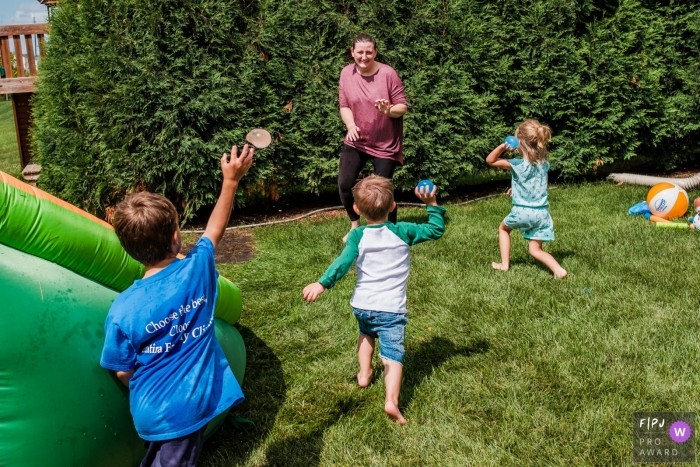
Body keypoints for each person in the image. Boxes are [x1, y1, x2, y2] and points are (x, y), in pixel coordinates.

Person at [100, 144, 254, 466]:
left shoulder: (122, 308)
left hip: (150, 407)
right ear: (175, 237)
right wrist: (231, 181)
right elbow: (215, 229)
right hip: (182, 410)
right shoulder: (198, 270)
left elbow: (121, 369)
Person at [303, 175, 446, 424]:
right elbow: (436, 230)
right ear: (393, 206)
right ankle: (391, 400)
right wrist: (431, 203)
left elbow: (342, 263)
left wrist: (322, 283)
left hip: (362, 305)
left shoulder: (357, 236)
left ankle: (364, 374)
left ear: (357, 209)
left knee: (366, 333)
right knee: (393, 354)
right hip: (391, 309)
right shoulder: (403, 231)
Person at [338, 33, 408, 242]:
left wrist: (388, 111)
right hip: (357, 139)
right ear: (352, 52)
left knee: (382, 190)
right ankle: (354, 226)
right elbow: (344, 105)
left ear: (375, 52)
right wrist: (350, 125)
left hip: (385, 143)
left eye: (369, 52)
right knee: (345, 184)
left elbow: (402, 106)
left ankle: (390, 231)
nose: (364, 56)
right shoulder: (346, 74)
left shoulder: (388, 73)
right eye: (360, 52)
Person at [485, 119, 567, 279]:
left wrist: (503, 147)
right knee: (535, 250)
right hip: (542, 215)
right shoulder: (544, 165)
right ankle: (558, 270)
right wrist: (516, 190)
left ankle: (504, 264)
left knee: (503, 229)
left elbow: (490, 160)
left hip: (522, 212)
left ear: (519, 142)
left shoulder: (518, 164)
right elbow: (533, 184)